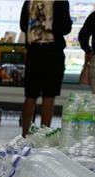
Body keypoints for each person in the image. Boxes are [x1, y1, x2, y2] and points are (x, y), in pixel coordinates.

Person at [19, 0, 72, 137]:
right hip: (53, 54)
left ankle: (25, 134)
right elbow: (65, 28)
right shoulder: (60, 2)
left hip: (34, 53)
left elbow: (23, 26)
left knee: (30, 96)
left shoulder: (29, 2)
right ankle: (43, 135)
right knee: (49, 96)